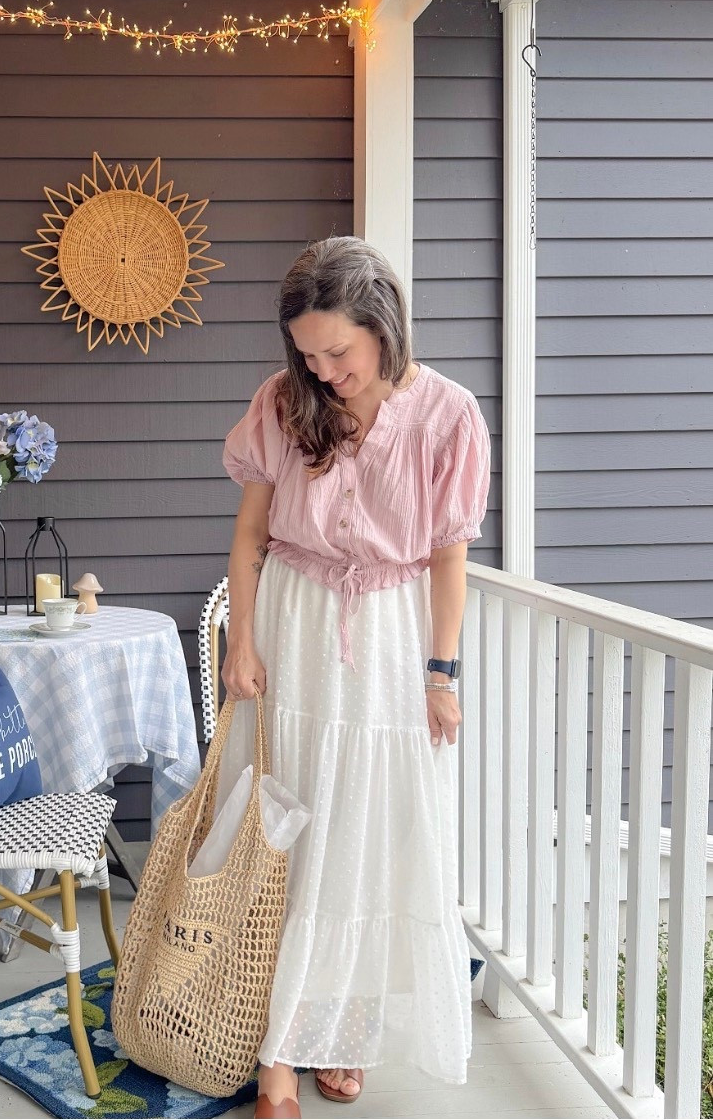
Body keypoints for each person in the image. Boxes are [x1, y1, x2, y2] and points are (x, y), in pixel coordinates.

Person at [219, 236, 489, 1118]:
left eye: (337, 351)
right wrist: (241, 641)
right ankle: (276, 1055)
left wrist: (439, 674)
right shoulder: (283, 401)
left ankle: (345, 1023)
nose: (323, 371)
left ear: (382, 326)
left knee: (368, 831)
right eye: (307, 354)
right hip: (294, 625)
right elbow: (251, 534)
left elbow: (446, 558)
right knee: (286, 827)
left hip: (385, 639)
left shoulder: (447, 415)